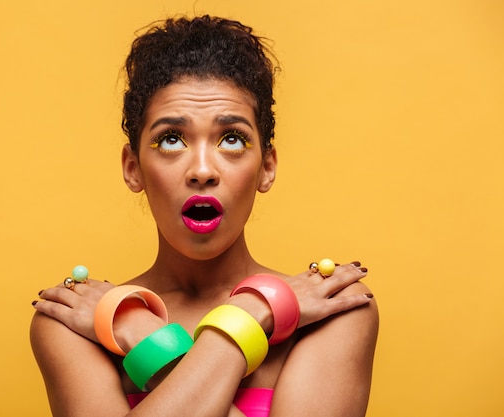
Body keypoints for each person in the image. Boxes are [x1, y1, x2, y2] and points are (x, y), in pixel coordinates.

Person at [30, 15, 378, 417]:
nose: (202, 170)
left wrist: (143, 336)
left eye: (232, 138)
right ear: (133, 168)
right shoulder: (71, 321)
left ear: (266, 166)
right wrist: (251, 316)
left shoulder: (333, 307)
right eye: (171, 139)